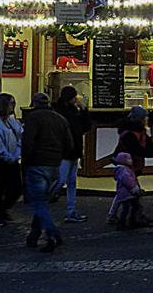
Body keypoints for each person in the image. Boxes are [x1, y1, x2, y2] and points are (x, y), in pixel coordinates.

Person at [22, 92, 73, 252]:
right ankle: (34, 235)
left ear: (34, 103)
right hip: (54, 165)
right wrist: (59, 157)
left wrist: (25, 162)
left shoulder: (33, 118)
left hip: (37, 164)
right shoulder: (60, 119)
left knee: (38, 202)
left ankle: (53, 233)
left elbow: (28, 143)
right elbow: (69, 145)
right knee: (42, 201)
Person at [108, 107, 153, 223]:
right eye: (145, 117)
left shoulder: (138, 131)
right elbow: (139, 150)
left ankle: (117, 216)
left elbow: (148, 146)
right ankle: (132, 218)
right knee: (131, 192)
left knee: (125, 192)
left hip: (132, 164)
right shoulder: (130, 134)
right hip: (127, 165)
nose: (147, 119)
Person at [53, 85, 92, 223]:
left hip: (67, 152)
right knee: (65, 181)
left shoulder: (60, 112)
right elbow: (86, 127)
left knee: (65, 181)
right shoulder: (72, 113)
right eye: (75, 97)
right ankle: (68, 210)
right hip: (69, 152)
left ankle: (69, 210)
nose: (76, 99)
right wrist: (84, 110)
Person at [0, 93, 22, 227]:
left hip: (12, 159)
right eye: (10, 104)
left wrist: (17, 153)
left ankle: (4, 208)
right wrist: (8, 156)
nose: (12, 106)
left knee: (16, 187)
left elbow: (20, 135)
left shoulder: (11, 120)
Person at [113, 152, 151, 229]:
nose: (131, 160)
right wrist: (135, 189)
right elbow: (128, 181)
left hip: (128, 193)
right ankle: (124, 222)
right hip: (127, 193)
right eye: (129, 159)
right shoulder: (124, 171)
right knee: (128, 208)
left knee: (133, 207)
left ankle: (131, 221)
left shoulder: (124, 169)